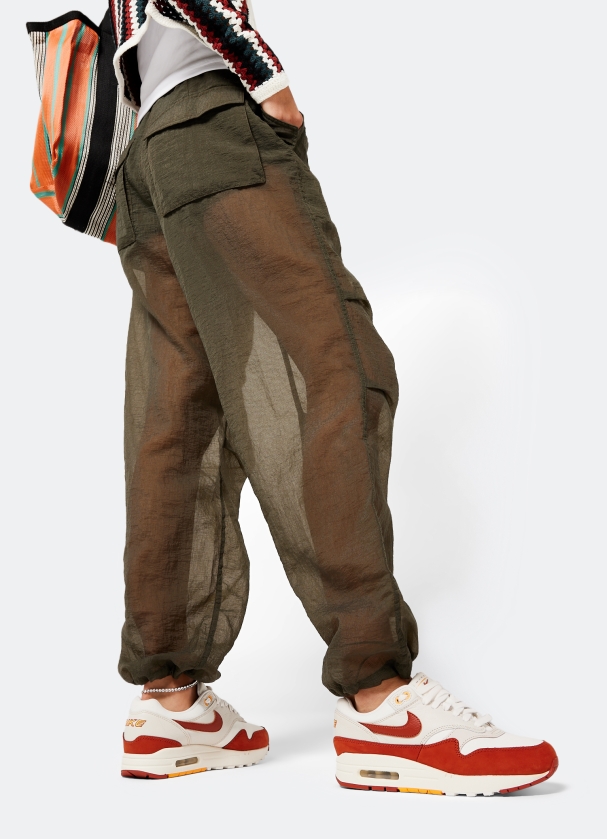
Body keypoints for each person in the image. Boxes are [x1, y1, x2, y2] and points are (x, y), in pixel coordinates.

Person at [111, 0, 557, 794]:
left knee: (179, 419)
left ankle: (169, 702)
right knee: (338, 366)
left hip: (147, 152)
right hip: (214, 121)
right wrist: (264, 79)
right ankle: (380, 698)